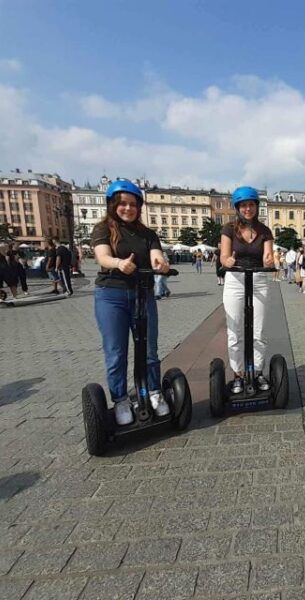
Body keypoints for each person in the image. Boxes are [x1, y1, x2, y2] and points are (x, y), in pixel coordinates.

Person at [92, 179, 171, 425]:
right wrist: (118, 263)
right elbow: (103, 257)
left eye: (133, 204)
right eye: (123, 204)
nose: (128, 208)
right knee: (116, 352)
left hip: (142, 293)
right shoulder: (103, 228)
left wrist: (161, 264)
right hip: (111, 295)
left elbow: (156, 256)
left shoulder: (148, 234)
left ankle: (153, 392)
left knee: (149, 349)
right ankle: (121, 399)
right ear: (113, 205)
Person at [220, 186, 275, 394]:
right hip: (235, 279)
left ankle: (258, 371)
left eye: (251, 204)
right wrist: (228, 261)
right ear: (237, 208)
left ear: (256, 206)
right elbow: (224, 256)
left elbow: (268, 257)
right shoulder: (228, 229)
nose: (248, 208)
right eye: (243, 205)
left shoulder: (265, 231)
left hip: (258, 279)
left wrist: (269, 261)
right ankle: (238, 373)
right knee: (234, 331)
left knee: (259, 331)